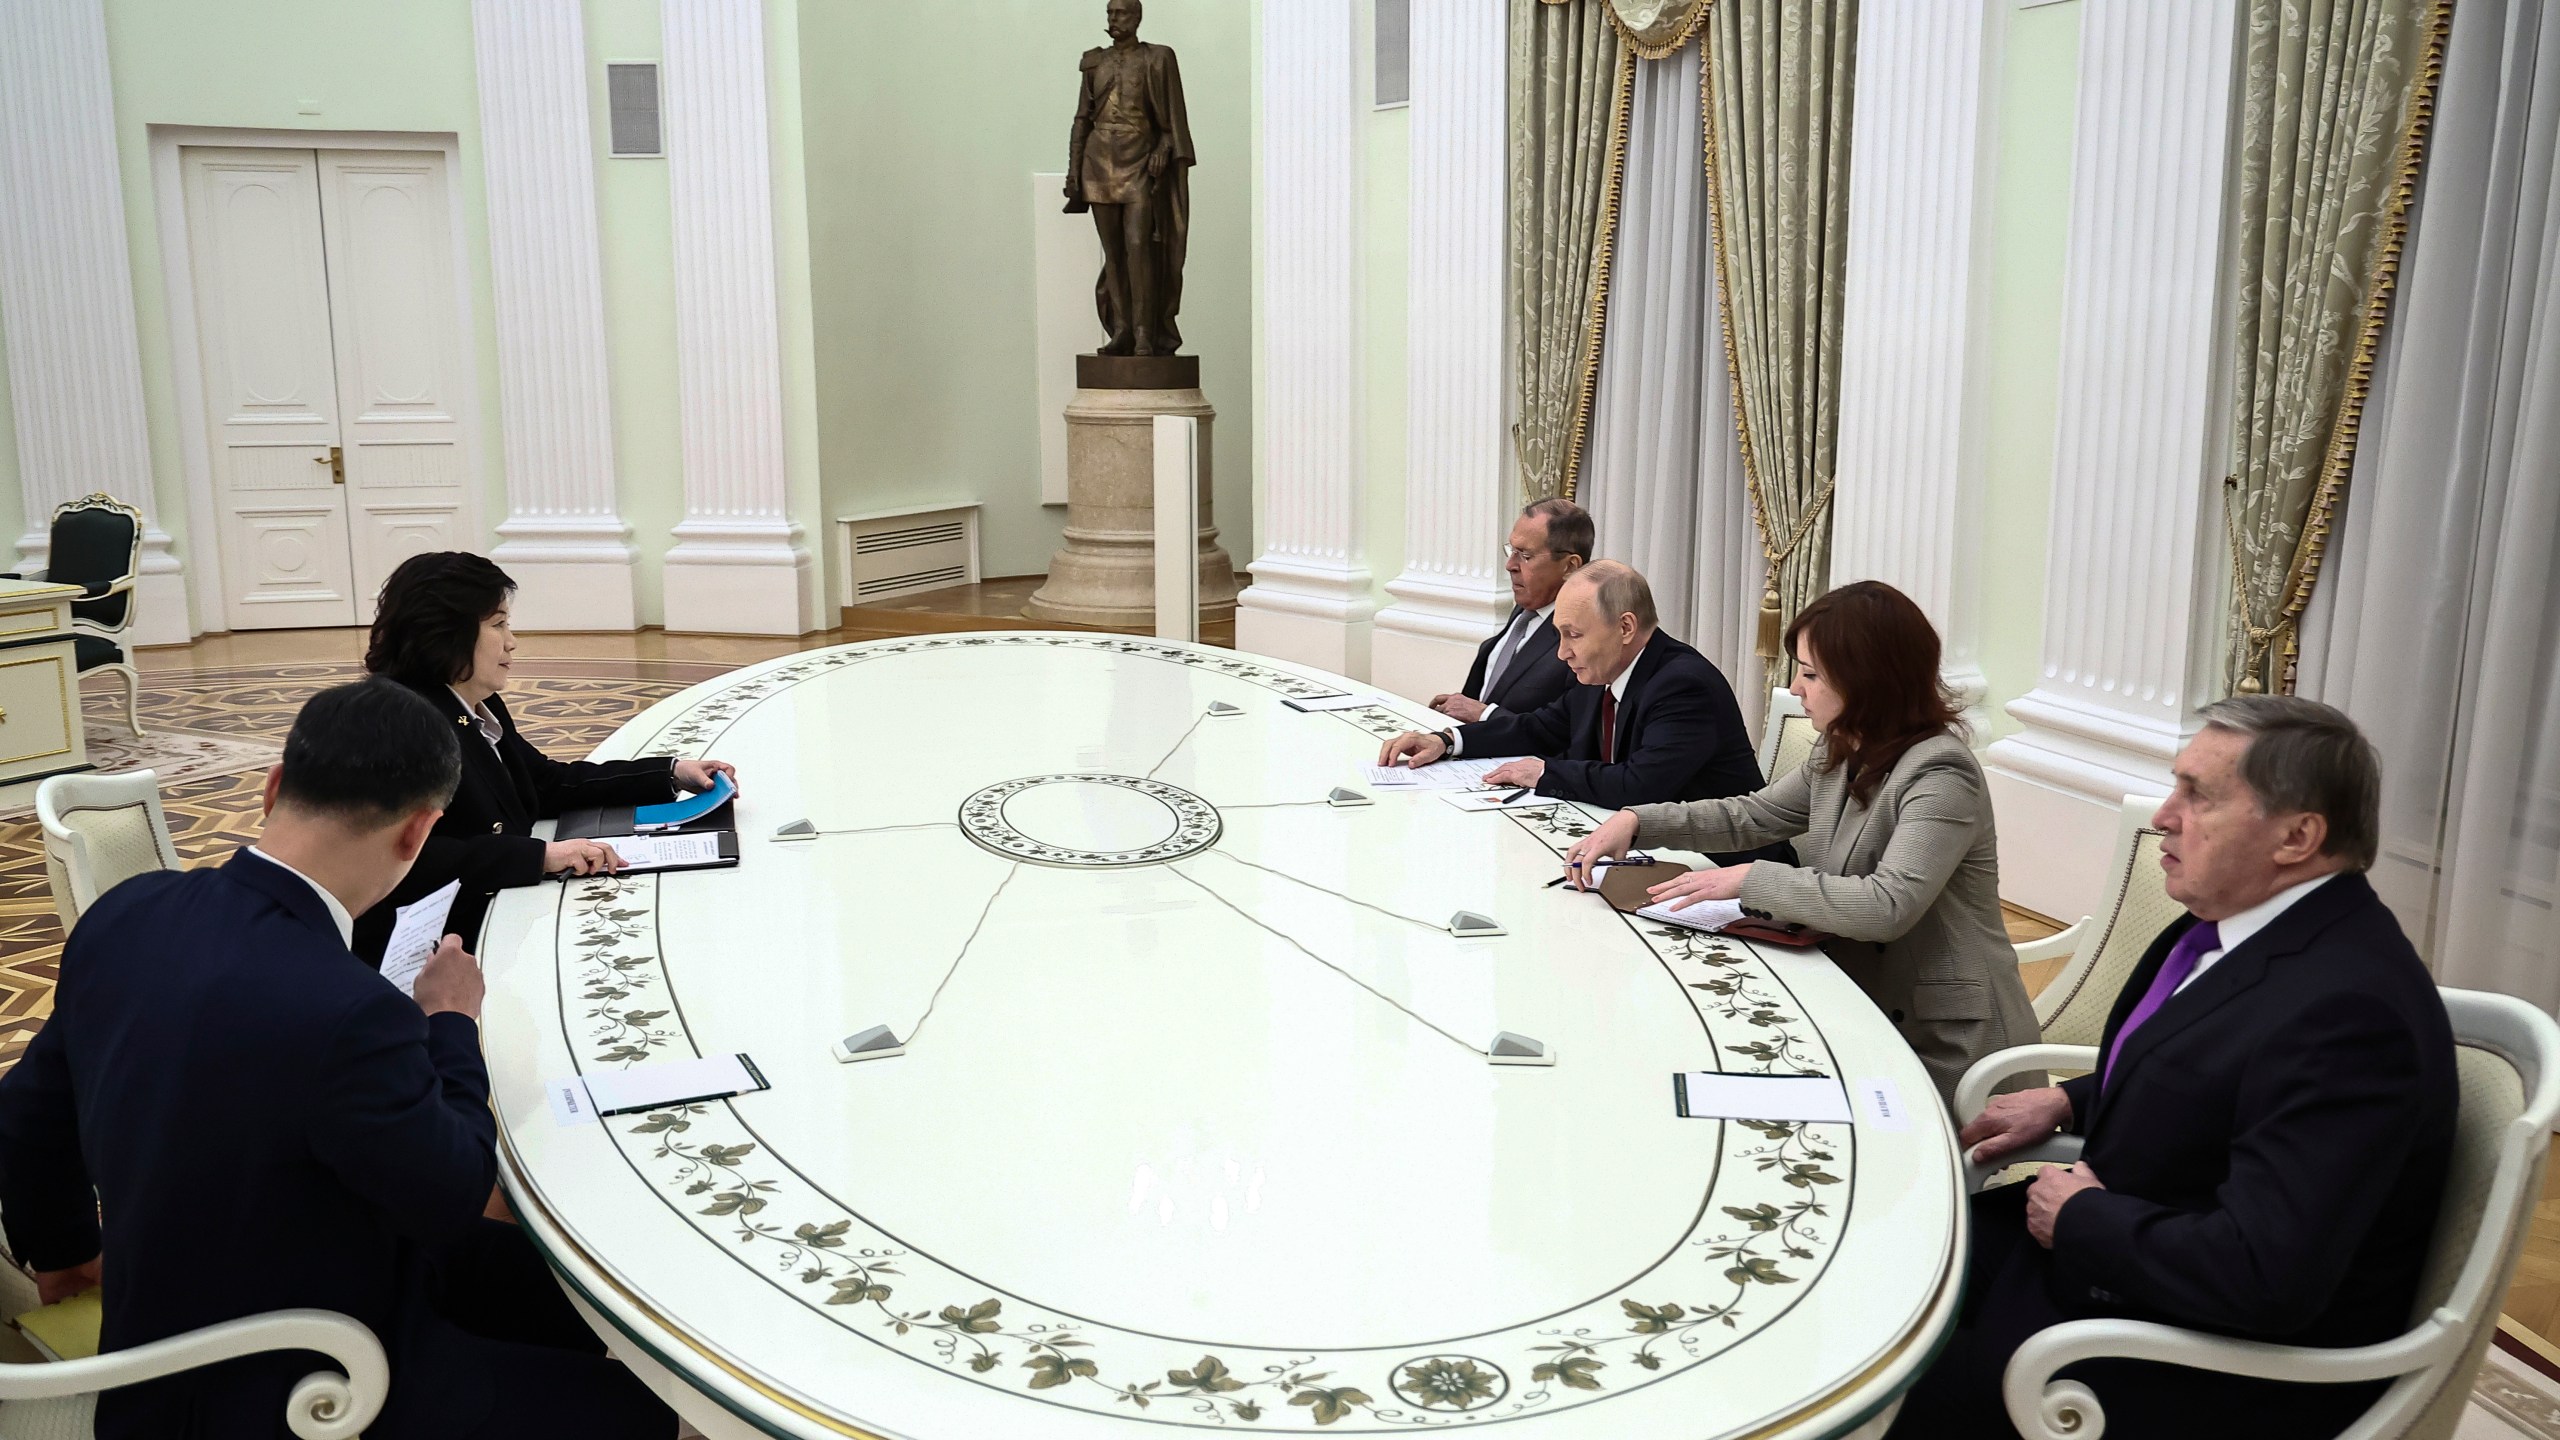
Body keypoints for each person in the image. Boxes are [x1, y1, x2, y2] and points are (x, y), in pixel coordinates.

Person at [0, 680, 676, 1439]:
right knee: (659, 1411)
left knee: (560, 1292)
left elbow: (27, 1116)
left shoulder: (128, 912)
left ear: (273, 786)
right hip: (301, 1387)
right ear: (417, 833)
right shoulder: (352, 1010)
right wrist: (450, 1022)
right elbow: (453, 1193)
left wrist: (64, 1250)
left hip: (162, 1326)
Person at [1889, 697, 2456, 1440]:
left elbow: (2267, 1277)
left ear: (2298, 835)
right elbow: (2212, 1072)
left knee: (1898, 1394)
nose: (2163, 815)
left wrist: (2082, 1219)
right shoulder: (2232, 926)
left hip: (2203, 1360)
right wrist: (2069, 1103)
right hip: (2125, 1259)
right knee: (1897, 1252)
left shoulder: (2350, 1015)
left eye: (2199, 795)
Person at [1563, 581, 2038, 1101]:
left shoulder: (1941, 773)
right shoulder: (1842, 748)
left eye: (1811, 673)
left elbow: (1887, 905)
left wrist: (1750, 879)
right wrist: (1638, 821)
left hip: (1948, 1043)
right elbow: (1753, 815)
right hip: (1861, 1004)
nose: (1796, 687)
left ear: (1867, 681)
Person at [353, 551, 737, 964]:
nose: (512, 640)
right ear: (445, 632)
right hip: (429, 950)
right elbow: (405, 857)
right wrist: (541, 857)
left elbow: (545, 782)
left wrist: (671, 773)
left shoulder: (475, 703)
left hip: (493, 912)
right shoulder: (400, 723)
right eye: (498, 624)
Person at [1377, 561, 1766, 826]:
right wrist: (1447, 741)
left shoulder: (1682, 684)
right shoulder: (1602, 672)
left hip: (1720, 868)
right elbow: (1538, 729)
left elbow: (1641, 787)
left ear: (1625, 627)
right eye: (1560, 635)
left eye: (1574, 635)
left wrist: (1545, 771)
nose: (1563, 653)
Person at [1430, 498, 1590, 724]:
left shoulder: (1582, 636)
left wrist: (1485, 715)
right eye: (1512, 550)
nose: (1510, 565)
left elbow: (1565, 732)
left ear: (1569, 566)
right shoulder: (1525, 610)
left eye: (1525, 555)